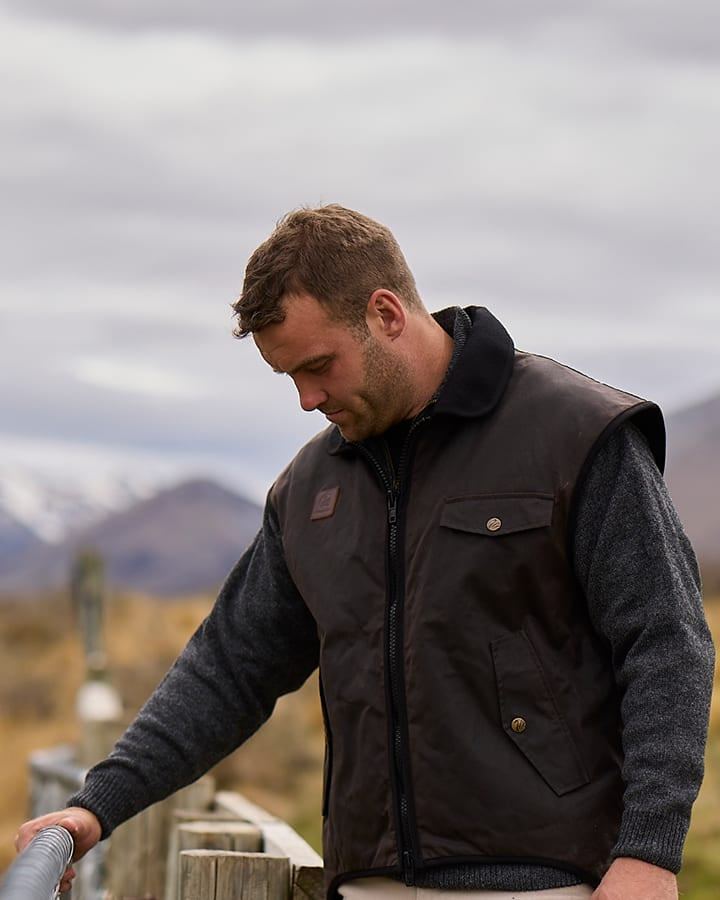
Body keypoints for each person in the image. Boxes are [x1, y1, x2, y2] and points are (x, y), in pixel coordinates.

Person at [16, 205, 714, 900]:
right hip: (366, 882)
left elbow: (667, 642)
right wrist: (94, 807)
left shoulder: (576, 434)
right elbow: (229, 668)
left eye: (319, 366)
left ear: (385, 314)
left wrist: (650, 853)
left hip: (541, 882)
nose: (307, 399)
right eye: (289, 377)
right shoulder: (311, 489)